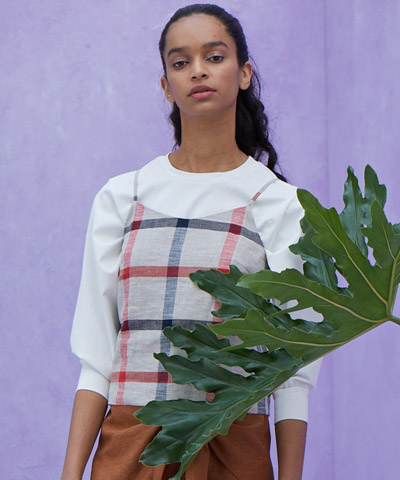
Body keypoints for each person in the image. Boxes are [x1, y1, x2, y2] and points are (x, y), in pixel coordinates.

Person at [61, 4, 321, 480]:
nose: (198, 70)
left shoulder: (279, 204)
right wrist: (69, 474)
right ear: (166, 85)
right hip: (130, 447)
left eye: (214, 56)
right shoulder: (122, 197)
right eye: (181, 62)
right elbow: (97, 357)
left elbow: (292, 370)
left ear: (244, 73)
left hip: (232, 447)